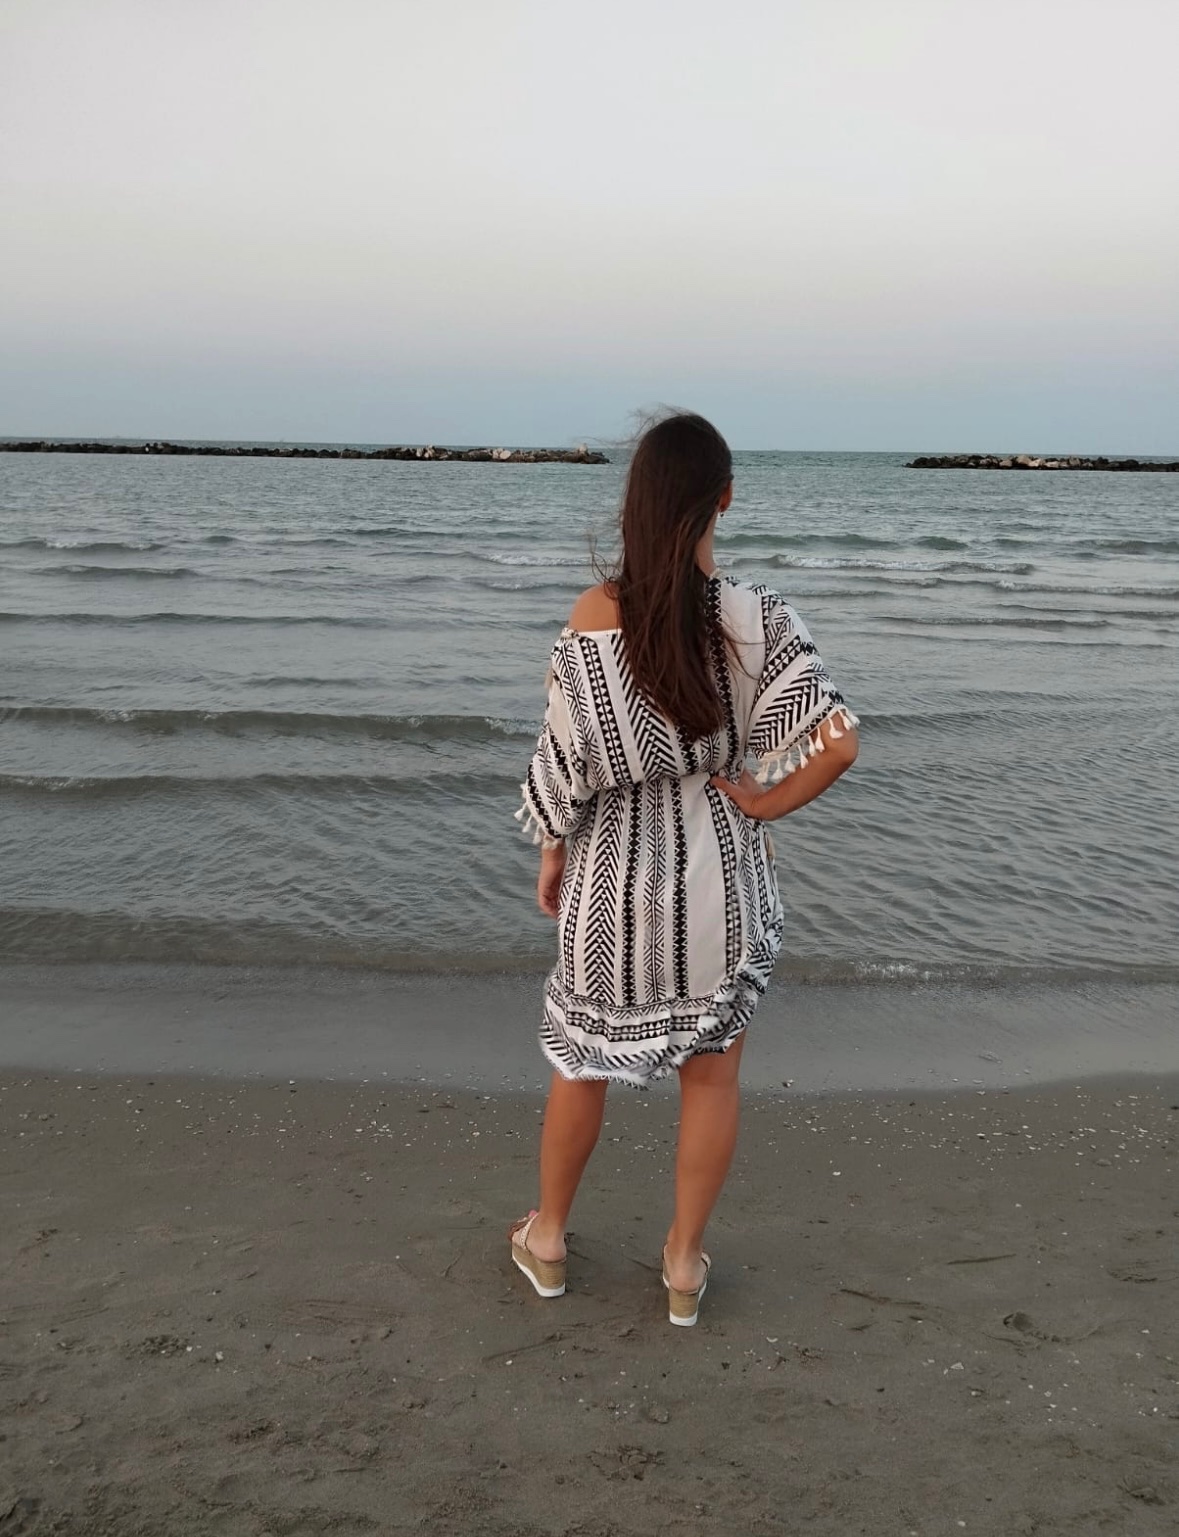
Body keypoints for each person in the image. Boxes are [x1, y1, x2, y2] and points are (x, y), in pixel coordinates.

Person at [511, 412, 858, 1326]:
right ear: (724, 498)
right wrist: (763, 803)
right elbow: (836, 742)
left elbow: (563, 763)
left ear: (636, 502)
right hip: (719, 888)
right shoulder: (756, 618)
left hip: (608, 889)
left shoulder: (592, 618)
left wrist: (551, 849)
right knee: (710, 1075)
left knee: (580, 1061)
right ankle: (681, 1265)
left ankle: (548, 1241)